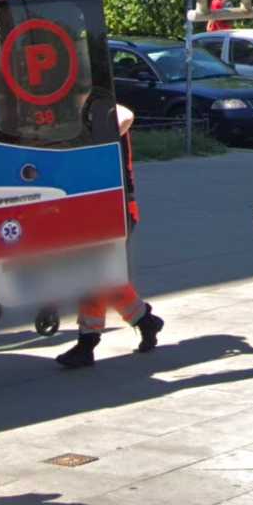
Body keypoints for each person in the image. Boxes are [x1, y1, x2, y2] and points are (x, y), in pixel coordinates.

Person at [58, 104, 164, 369]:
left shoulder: (101, 105)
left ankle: (87, 344)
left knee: (94, 276)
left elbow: (127, 115)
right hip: (100, 206)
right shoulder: (84, 109)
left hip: (115, 207)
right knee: (103, 277)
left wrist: (94, 140)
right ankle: (145, 321)